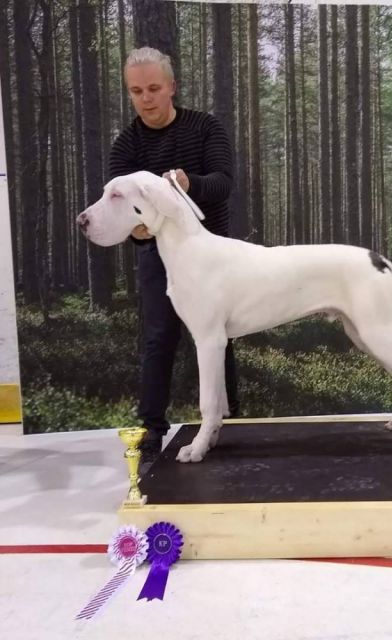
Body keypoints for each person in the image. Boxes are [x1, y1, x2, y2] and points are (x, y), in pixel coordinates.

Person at [109, 46, 239, 467]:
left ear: (172, 87)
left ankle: (228, 423)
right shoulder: (126, 145)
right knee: (158, 337)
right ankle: (151, 431)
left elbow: (223, 183)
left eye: (153, 88)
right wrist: (137, 230)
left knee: (220, 338)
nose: (145, 98)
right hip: (159, 256)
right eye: (136, 91)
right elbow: (121, 211)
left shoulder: (205, 127)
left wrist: (189, 182)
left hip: (215, 254)